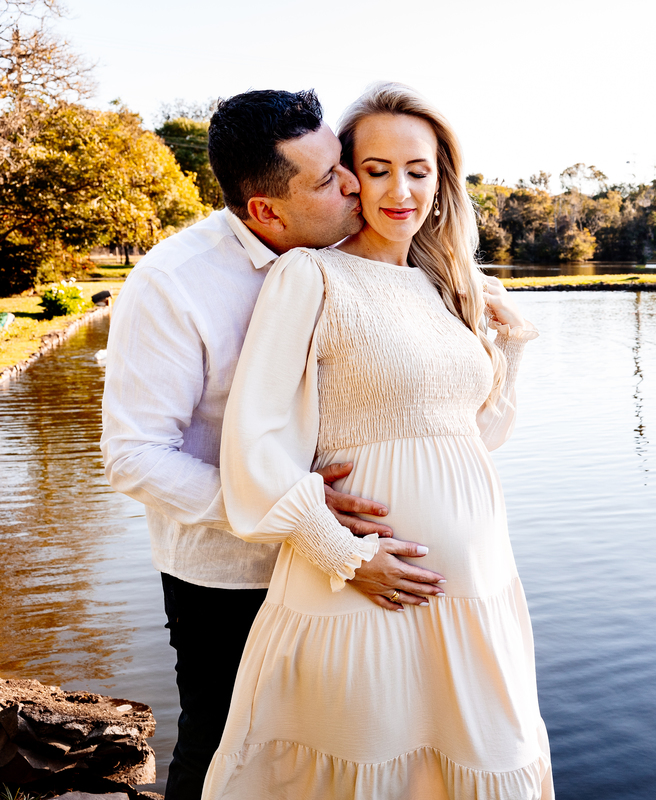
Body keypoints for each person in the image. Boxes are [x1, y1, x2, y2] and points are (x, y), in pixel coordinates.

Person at [201, 82, 552, 799]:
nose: (400, 191)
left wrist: (510, 347)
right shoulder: (311, 275)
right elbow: (251, 442)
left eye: (418, 170)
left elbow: (476, 438)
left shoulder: (446, 286)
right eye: (376, 169)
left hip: (475, 585)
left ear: (441, 179)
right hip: (362, 590)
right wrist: (346, 555)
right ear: (348, 177)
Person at [101, 89, 446, 800]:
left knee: (337, 751)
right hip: (233, 578)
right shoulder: (174, 284)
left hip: (355, 565)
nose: (353, 184)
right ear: (265, 210)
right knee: (226, 748)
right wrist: (296, 516)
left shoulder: (354, 255)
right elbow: (134, 455)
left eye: (343, 163)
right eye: (327, 180)